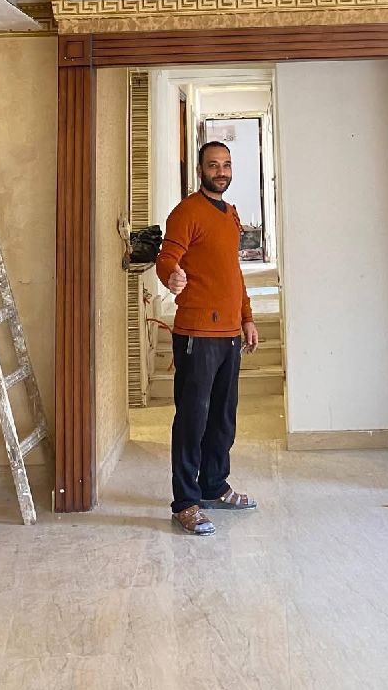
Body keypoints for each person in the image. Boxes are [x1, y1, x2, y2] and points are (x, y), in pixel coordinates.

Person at [155, 140, 260, 536]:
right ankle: (186, 502)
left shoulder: (230, 214)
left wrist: (246, 317)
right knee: (192, 420)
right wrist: (172, 276)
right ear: (200, 170)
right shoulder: (186, 212)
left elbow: (233, 272)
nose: (221, 172)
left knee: (222, 419)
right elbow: (167, 257)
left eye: (226, 165)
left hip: (229, 333)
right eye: (213, 165)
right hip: (197, 334)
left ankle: (214, 487)